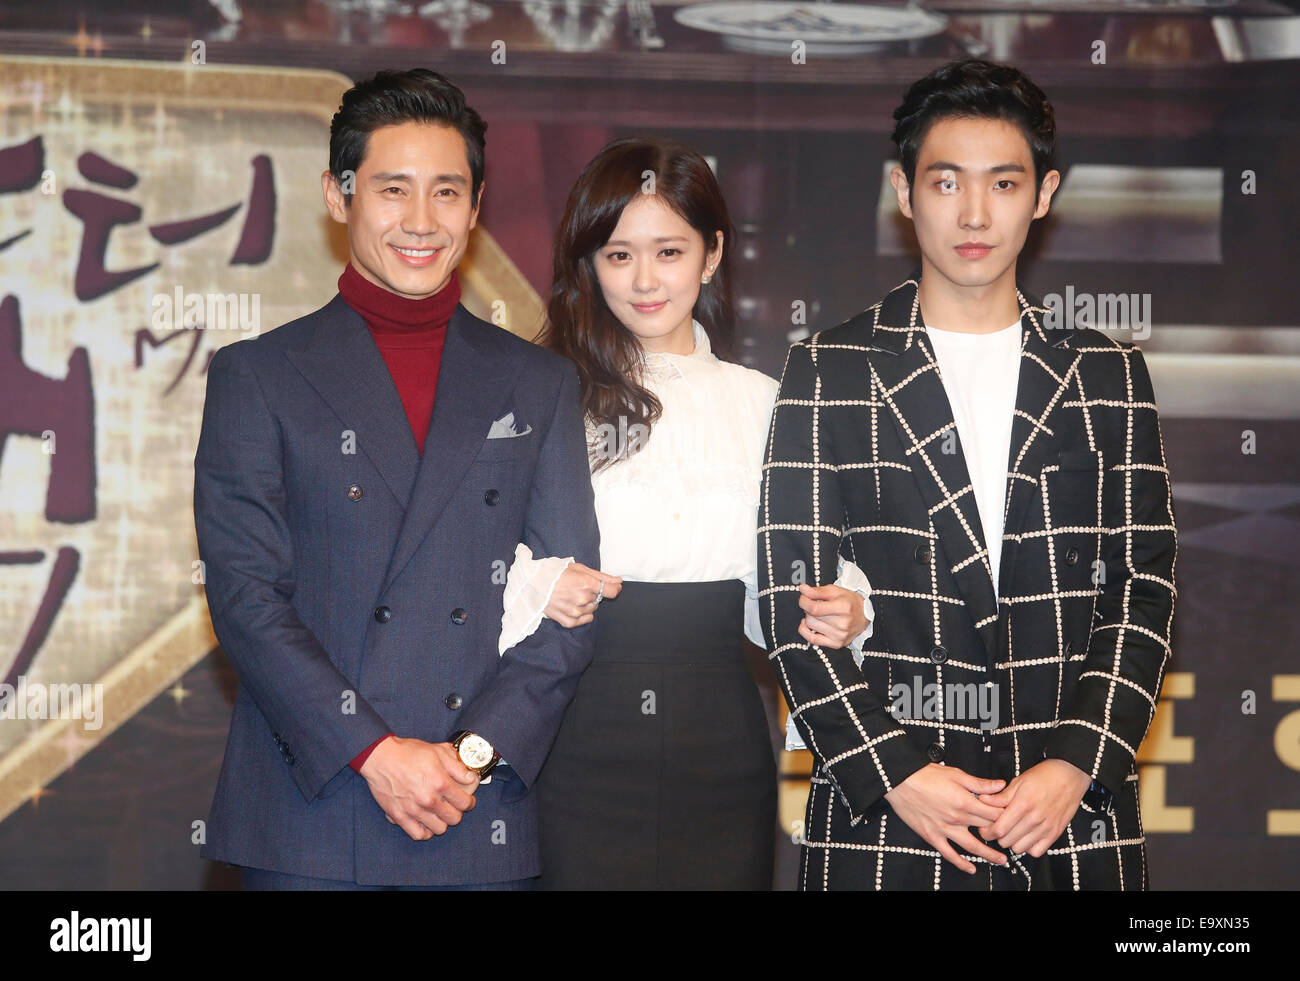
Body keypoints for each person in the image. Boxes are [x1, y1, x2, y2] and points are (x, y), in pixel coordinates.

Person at [760, 59, 1177, 890]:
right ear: (904, 191)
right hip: (888, 821)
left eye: (1004, 183)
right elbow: (790, 598)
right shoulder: (830, 367)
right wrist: (898, 772)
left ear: (1045, 193)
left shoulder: (1106, 373)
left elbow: (1144, 587)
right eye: (946, 182)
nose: (975, 213)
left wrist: (1078, 765)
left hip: (1066, 820)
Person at [193, 68, 599, 889]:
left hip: (473, 806)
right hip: (315, 805)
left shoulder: (537, 381)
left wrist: (468, 755)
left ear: (477, 206)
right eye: (393, 190)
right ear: (338, 197)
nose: (421, 221)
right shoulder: (258, 375)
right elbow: (245, 599)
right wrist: (376, 753)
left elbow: (571, 594)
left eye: (447, 192)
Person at [498, 137, 874, 890]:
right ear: (588, 265)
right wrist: (534, 587)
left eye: (668, 251)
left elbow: (802, 572)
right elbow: (465, 563)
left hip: (722, 728)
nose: (644, 280)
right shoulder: (539, 394)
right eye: (616, 254)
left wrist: (850, 608)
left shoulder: (769, 400)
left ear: (711, 255)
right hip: (570, 718)